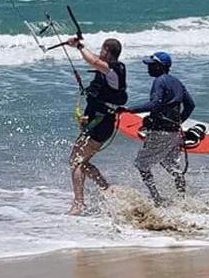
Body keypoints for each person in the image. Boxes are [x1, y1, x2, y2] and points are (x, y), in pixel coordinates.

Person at [119, 52, 194, 205]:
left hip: (161, 131)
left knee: (141, 164)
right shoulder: (177, 82)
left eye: (151, 65)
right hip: (174, 132)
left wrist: (128, 109)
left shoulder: (159, 81)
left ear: (160, 66)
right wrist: (178, 122)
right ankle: (182, 197)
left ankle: (156, 197)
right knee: (170, 163)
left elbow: (154, 104)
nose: (148, 68)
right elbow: (190, 105)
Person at [65, 37, 128, 215]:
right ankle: (106, 188)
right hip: (99, 123)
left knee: (76, 162)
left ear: (107, 50)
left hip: (100, 125)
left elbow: (92, 60)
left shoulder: (113, 70)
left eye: (102, 49)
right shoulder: (110, 70)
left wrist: (79, 46)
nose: (100, 52)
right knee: (81, 162)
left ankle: (78, 204)